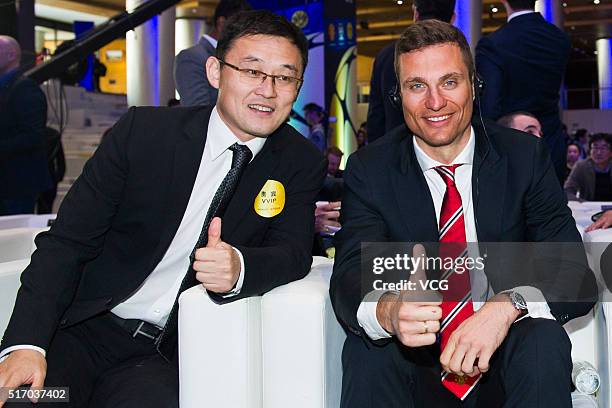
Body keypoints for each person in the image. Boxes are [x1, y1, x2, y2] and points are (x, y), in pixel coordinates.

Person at [0, 10, 326, 408]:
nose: (268, 90)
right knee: (29, 402)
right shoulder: (143, 135)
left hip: (165, 355)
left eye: (284, 77)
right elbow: (67, 242)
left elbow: (293, 253)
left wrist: (240, 267)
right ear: (215, 71)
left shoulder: (299, 161)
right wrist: (25, 343)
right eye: (252, 71)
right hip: (82, 330)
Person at [330, 20, 596, 408]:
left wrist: (506, 306)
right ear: (398, 96)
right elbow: (351, 270)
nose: (434, 102)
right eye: (417, 86)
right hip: (415, 361)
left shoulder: (524, 157)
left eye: (449, 82)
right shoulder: (370, 169)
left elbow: (573, 272)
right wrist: (389, 310)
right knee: (370, 346)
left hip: (507, 359)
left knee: (541, 337)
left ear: (475, 85)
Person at [475, 0, 571, 183]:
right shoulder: (559, 39)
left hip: (511, 147)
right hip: (551, 141)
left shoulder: (494, 44)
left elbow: (490, 106)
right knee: (551, 209)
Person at [366, 0, 456, 143]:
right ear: (453, 18)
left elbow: (375, 118)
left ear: (415, 14)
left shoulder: (386, 56)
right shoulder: (458, 56)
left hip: (392, 151)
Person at [0, 35, 52, 215]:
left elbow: (33, 136)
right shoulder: (10, 86)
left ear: (10, 55)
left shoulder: (24, 89)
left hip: (16, 183)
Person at [174, 0, 251, 107]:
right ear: (221, 23)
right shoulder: (192, 57)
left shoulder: (236, 56)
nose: (245, 36)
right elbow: (198, 110)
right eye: (241, 29)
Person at [565, 133, 612, 201]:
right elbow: (567, 191)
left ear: (611, 152)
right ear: (590, 151)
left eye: (603, 148)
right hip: (589, 209)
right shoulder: (581, 166)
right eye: (595, 148)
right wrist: (583, 203)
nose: (599, 152)